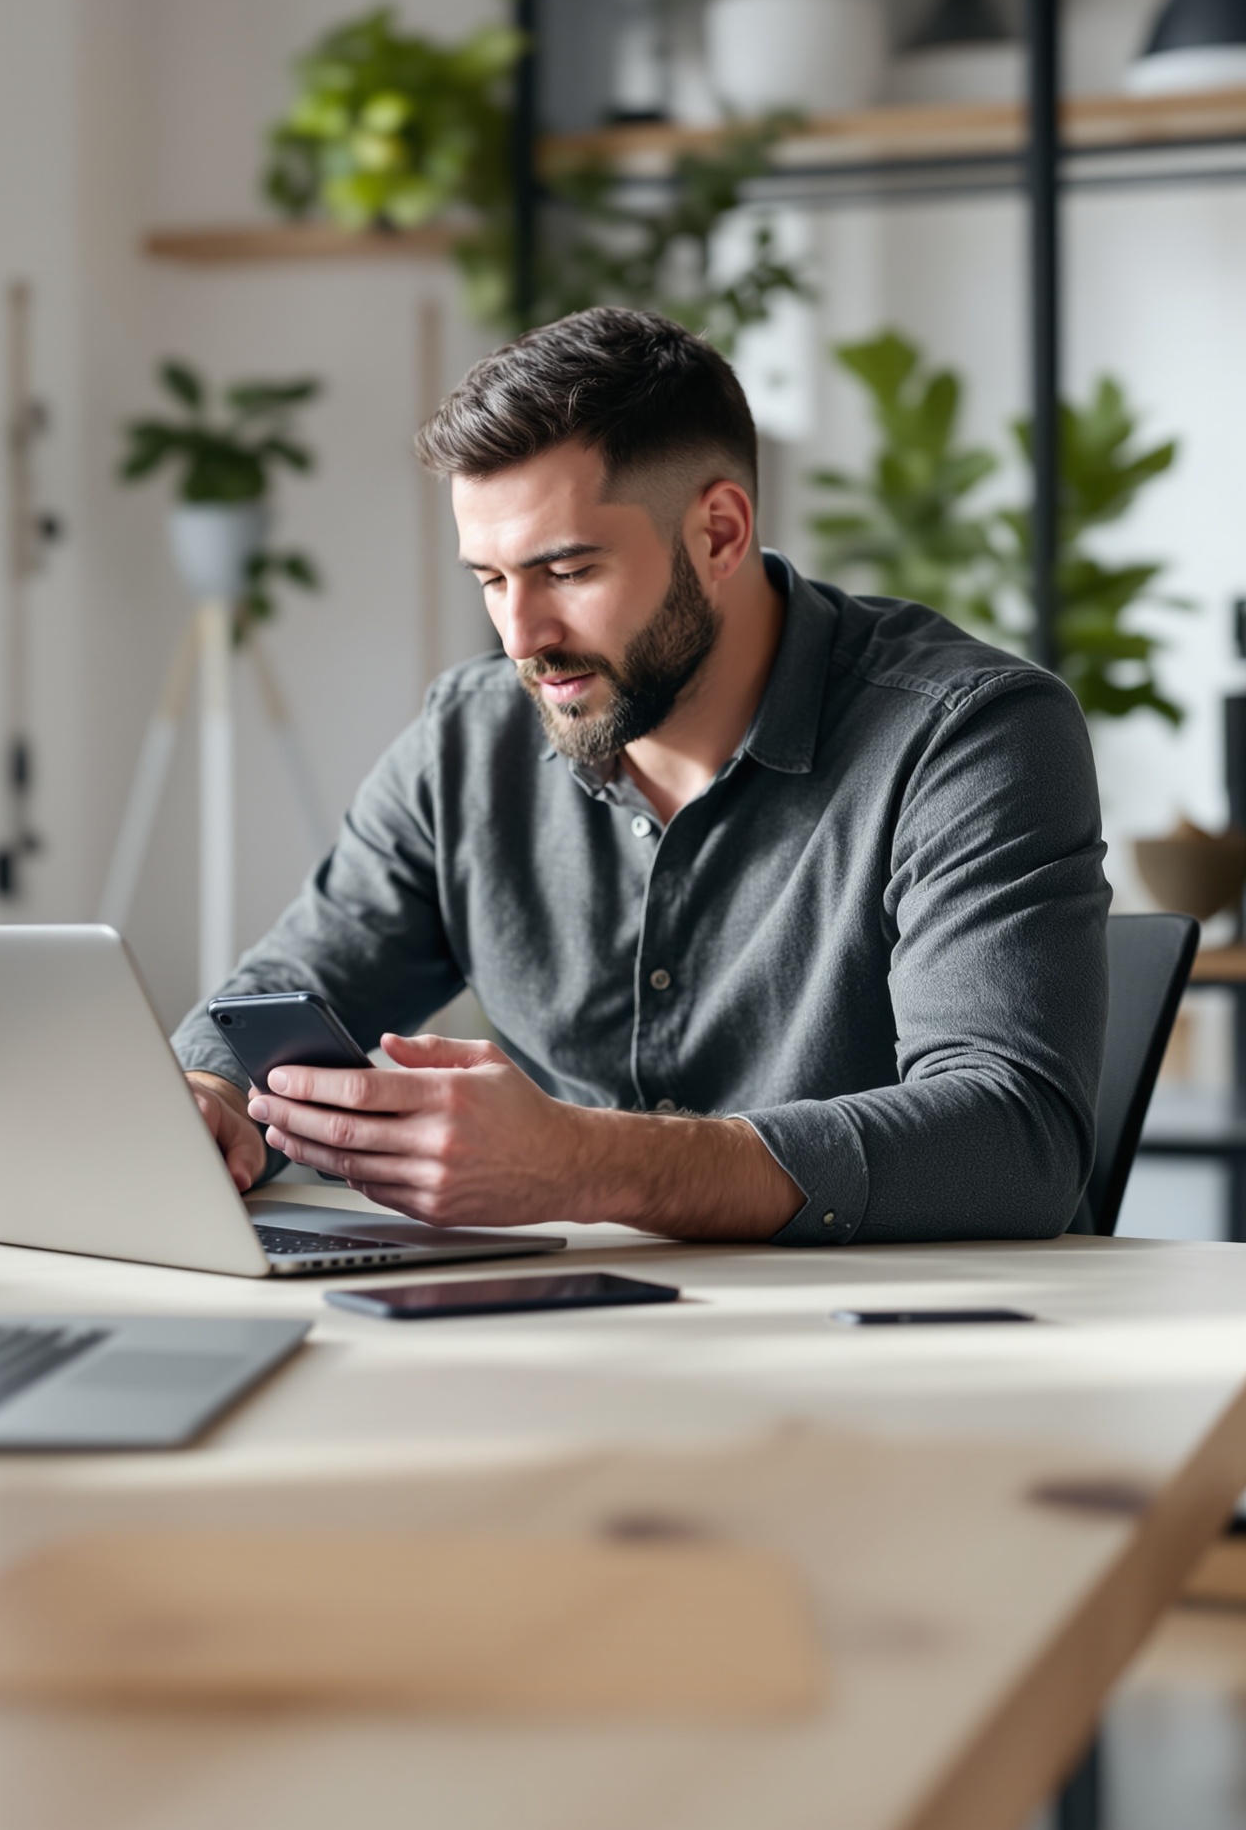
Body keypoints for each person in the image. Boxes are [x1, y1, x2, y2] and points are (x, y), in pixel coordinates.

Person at [171, 307, 1109, 1245]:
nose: (520, 638)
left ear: (719, 534)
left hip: (885, 1350)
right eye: (491, 580)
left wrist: (584, 1163)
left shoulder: (967, 735)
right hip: (569, 1333)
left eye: (568, 570)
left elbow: (1014, 1136)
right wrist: (209, 1094)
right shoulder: (467, 740)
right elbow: (294, 984)